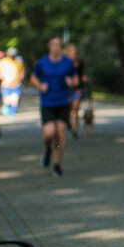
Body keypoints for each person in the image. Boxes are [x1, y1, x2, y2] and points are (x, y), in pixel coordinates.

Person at [30, 35, 80, 177]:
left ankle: (57, 163)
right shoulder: (42, 62)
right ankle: (47, 149)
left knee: (59, 134)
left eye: (59, 45)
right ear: (49, 47)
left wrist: (72, 82)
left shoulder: (67, 63)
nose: (56, 47)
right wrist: (40, 85)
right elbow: (33, 77)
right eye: (54, 45)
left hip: (63, 102)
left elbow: (76, 78)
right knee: (49, 133)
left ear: (61, 48)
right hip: (47, 102)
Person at [0, 47, 25, 117]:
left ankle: (13, 113)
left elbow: (22, 71)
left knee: (15, 99)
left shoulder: (18, 61)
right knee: (7, 100)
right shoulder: (3, 62)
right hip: (6, 85)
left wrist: (21, 77)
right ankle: (6, 108)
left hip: (16, 84)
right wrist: (2, 78)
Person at [66, 44, 88, 136]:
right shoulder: (65, 63)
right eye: (72, 52)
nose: (73, 54)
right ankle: (68, 121)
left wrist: (84, 79)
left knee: (76, 107)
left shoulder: (80, 62)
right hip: (67, 89)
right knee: (69, 107)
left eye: (75, 53)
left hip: (78, 88)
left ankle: (75, 128)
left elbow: (83, 74)